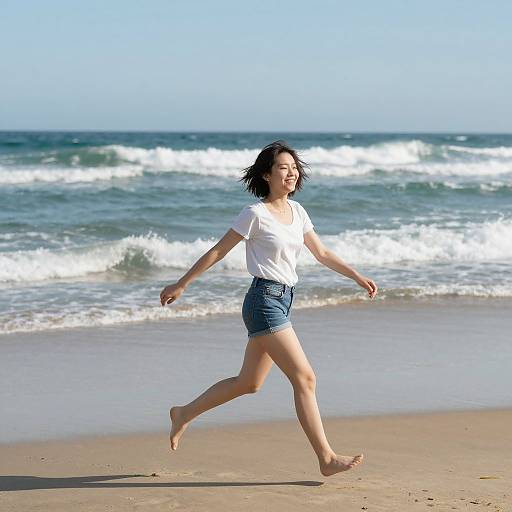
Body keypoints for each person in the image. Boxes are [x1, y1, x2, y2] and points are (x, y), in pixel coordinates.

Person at [159, 140, 378, 477]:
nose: (290, 173)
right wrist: (182, 283)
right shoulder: (254, 214)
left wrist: (357, 276)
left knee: (248, 383)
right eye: (282, 168)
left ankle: (183, 413)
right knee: (305, 377)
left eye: (294, 168)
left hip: (283, 300)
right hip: (263, 301)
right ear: (266, 174)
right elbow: (219, 251)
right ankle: (326, 457)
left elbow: (321, 253)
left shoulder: (298, 211)